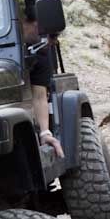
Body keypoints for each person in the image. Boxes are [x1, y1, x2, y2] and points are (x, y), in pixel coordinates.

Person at [22, 9, 65, 158]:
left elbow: (39, 96)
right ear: (26, 22)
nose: (51, 41)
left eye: (53, 36)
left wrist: (45, 132)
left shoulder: (40, 53)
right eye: (47, 34)